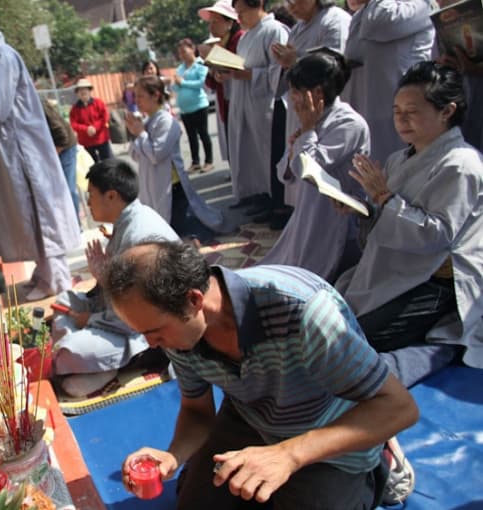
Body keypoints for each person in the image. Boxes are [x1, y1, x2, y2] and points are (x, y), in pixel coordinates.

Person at [105, 241, 419, 508]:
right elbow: (197, 412)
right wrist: (173, 456)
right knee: (193, 502)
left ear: (194, 300)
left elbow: (400, 407)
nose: (151, 344)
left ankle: (380, 464)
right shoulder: (181, 331)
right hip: (253, 416)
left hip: (328, 430)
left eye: (154, 331)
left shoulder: (302, 312)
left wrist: (289, 454)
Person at [336, 61, 483, 389]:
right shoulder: (399, 159)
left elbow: (438, 237)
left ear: (447, 111)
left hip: (436, 281)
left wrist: (385, 199)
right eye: (396, 110)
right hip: (394, 269)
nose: (401, 119)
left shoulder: (462, 164)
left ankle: (438, 346)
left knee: (356, 342)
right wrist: (362, 210)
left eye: (412, 111)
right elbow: (385, 225)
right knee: (333, 321)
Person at [0, 2, 81, 301]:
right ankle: (45, 274)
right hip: (10, 150)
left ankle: (55, 280)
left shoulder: (0, 56)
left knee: (34, 210)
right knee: (24, 212)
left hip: (20, 152)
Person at [51, 159, 179, 397]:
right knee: (65, 299)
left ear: (111, 196)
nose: (87, 202)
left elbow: (138, 315)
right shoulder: (130, 218)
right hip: (117, 315)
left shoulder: (138, 236)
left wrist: (90, 319)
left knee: (69, 350)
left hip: (145, 334)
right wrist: (103, 275)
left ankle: (120, 365)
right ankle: (97, 363)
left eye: (90, 195)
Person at [259, 50, 369, 282]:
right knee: (290, 265)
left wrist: (307, 132)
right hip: (309, 213)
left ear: (316, 93)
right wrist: (294, 145)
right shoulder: (311, 118)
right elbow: (285, 173)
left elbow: (309, 169)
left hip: (337, 216)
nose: (292, 98)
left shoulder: (349, 123)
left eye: (296, 91)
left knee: (323, 272)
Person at [126, 75, 229, 243]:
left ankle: (200, 237)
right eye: (135, 96)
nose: (137, 101)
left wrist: (141, 134)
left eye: (140, 96)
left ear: (156, 95)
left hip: (170, 184)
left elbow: (156, 155)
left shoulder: (166, 121)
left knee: (180, 225)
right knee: (164, 225)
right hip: (152, 182)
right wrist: (134, 133)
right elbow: (135, 155)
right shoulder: (147, 121)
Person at [269, 0, 351, 206]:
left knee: (321, 171)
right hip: (300, 109)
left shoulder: (335, 20)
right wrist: (283, 64)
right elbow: (284, 78)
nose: (291, 5)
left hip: (325, 110)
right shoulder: (297, 29)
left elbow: (335, 66)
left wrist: (296, 60)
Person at [342, 0, 434, 162]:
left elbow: (379, 23)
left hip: (397, 116)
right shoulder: (364, 13)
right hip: (364, 110)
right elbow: (353, 52)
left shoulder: (421, 5)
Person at [224, 0, 290, 219]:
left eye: (242, 12)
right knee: (253, 156)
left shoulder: (274, 31)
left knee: (270, 155)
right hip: (246, 103)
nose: (239, 18)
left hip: (267, 107)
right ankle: (263, 198)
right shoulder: (245, 37)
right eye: (237, 13)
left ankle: (278, 204)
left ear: (259, 5)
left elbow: (280, 72)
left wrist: (250, 74)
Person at [200, 0, 243, 163]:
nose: (211, 27)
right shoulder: (220, 44)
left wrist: (213, 57)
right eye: (210, 23)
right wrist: (213, 70)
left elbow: (240, 66)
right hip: (226, 105)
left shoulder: (239, 40)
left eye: (216, 22)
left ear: (230, 22)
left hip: (241, 104)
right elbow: (211, 83)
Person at [173, 38, 214, 174]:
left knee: (203, 134)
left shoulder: (200, 65)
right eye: (180, 53)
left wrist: (183, 83)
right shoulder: (180, 68)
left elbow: (200, 84)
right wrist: (176, 84)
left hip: (199, 105)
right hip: (185, 109)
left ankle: (208, 161)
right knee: (191, 136)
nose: (183, 55)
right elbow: (175, 85)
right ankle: (195, 162)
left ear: (192, 49)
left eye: (185, 51)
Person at [42, 98, 81, 218]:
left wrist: (52, 156)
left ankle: (76, 225)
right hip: (54, 150)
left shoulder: (38, 104)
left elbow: (62, 135)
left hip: (65, 147)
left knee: (68, 189)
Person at [69, 78, 114, 163]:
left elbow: (105, 117)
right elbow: (73, 124)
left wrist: (95, 127)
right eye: (80, 90)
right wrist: (86, 129)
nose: (83, 92)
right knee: (92, 165)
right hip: (86, 142)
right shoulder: (74, 109)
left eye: (85, 89)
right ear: (77, 93)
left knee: (108, 162)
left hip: (101, 138)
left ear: (89, 91)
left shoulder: (98, 103)